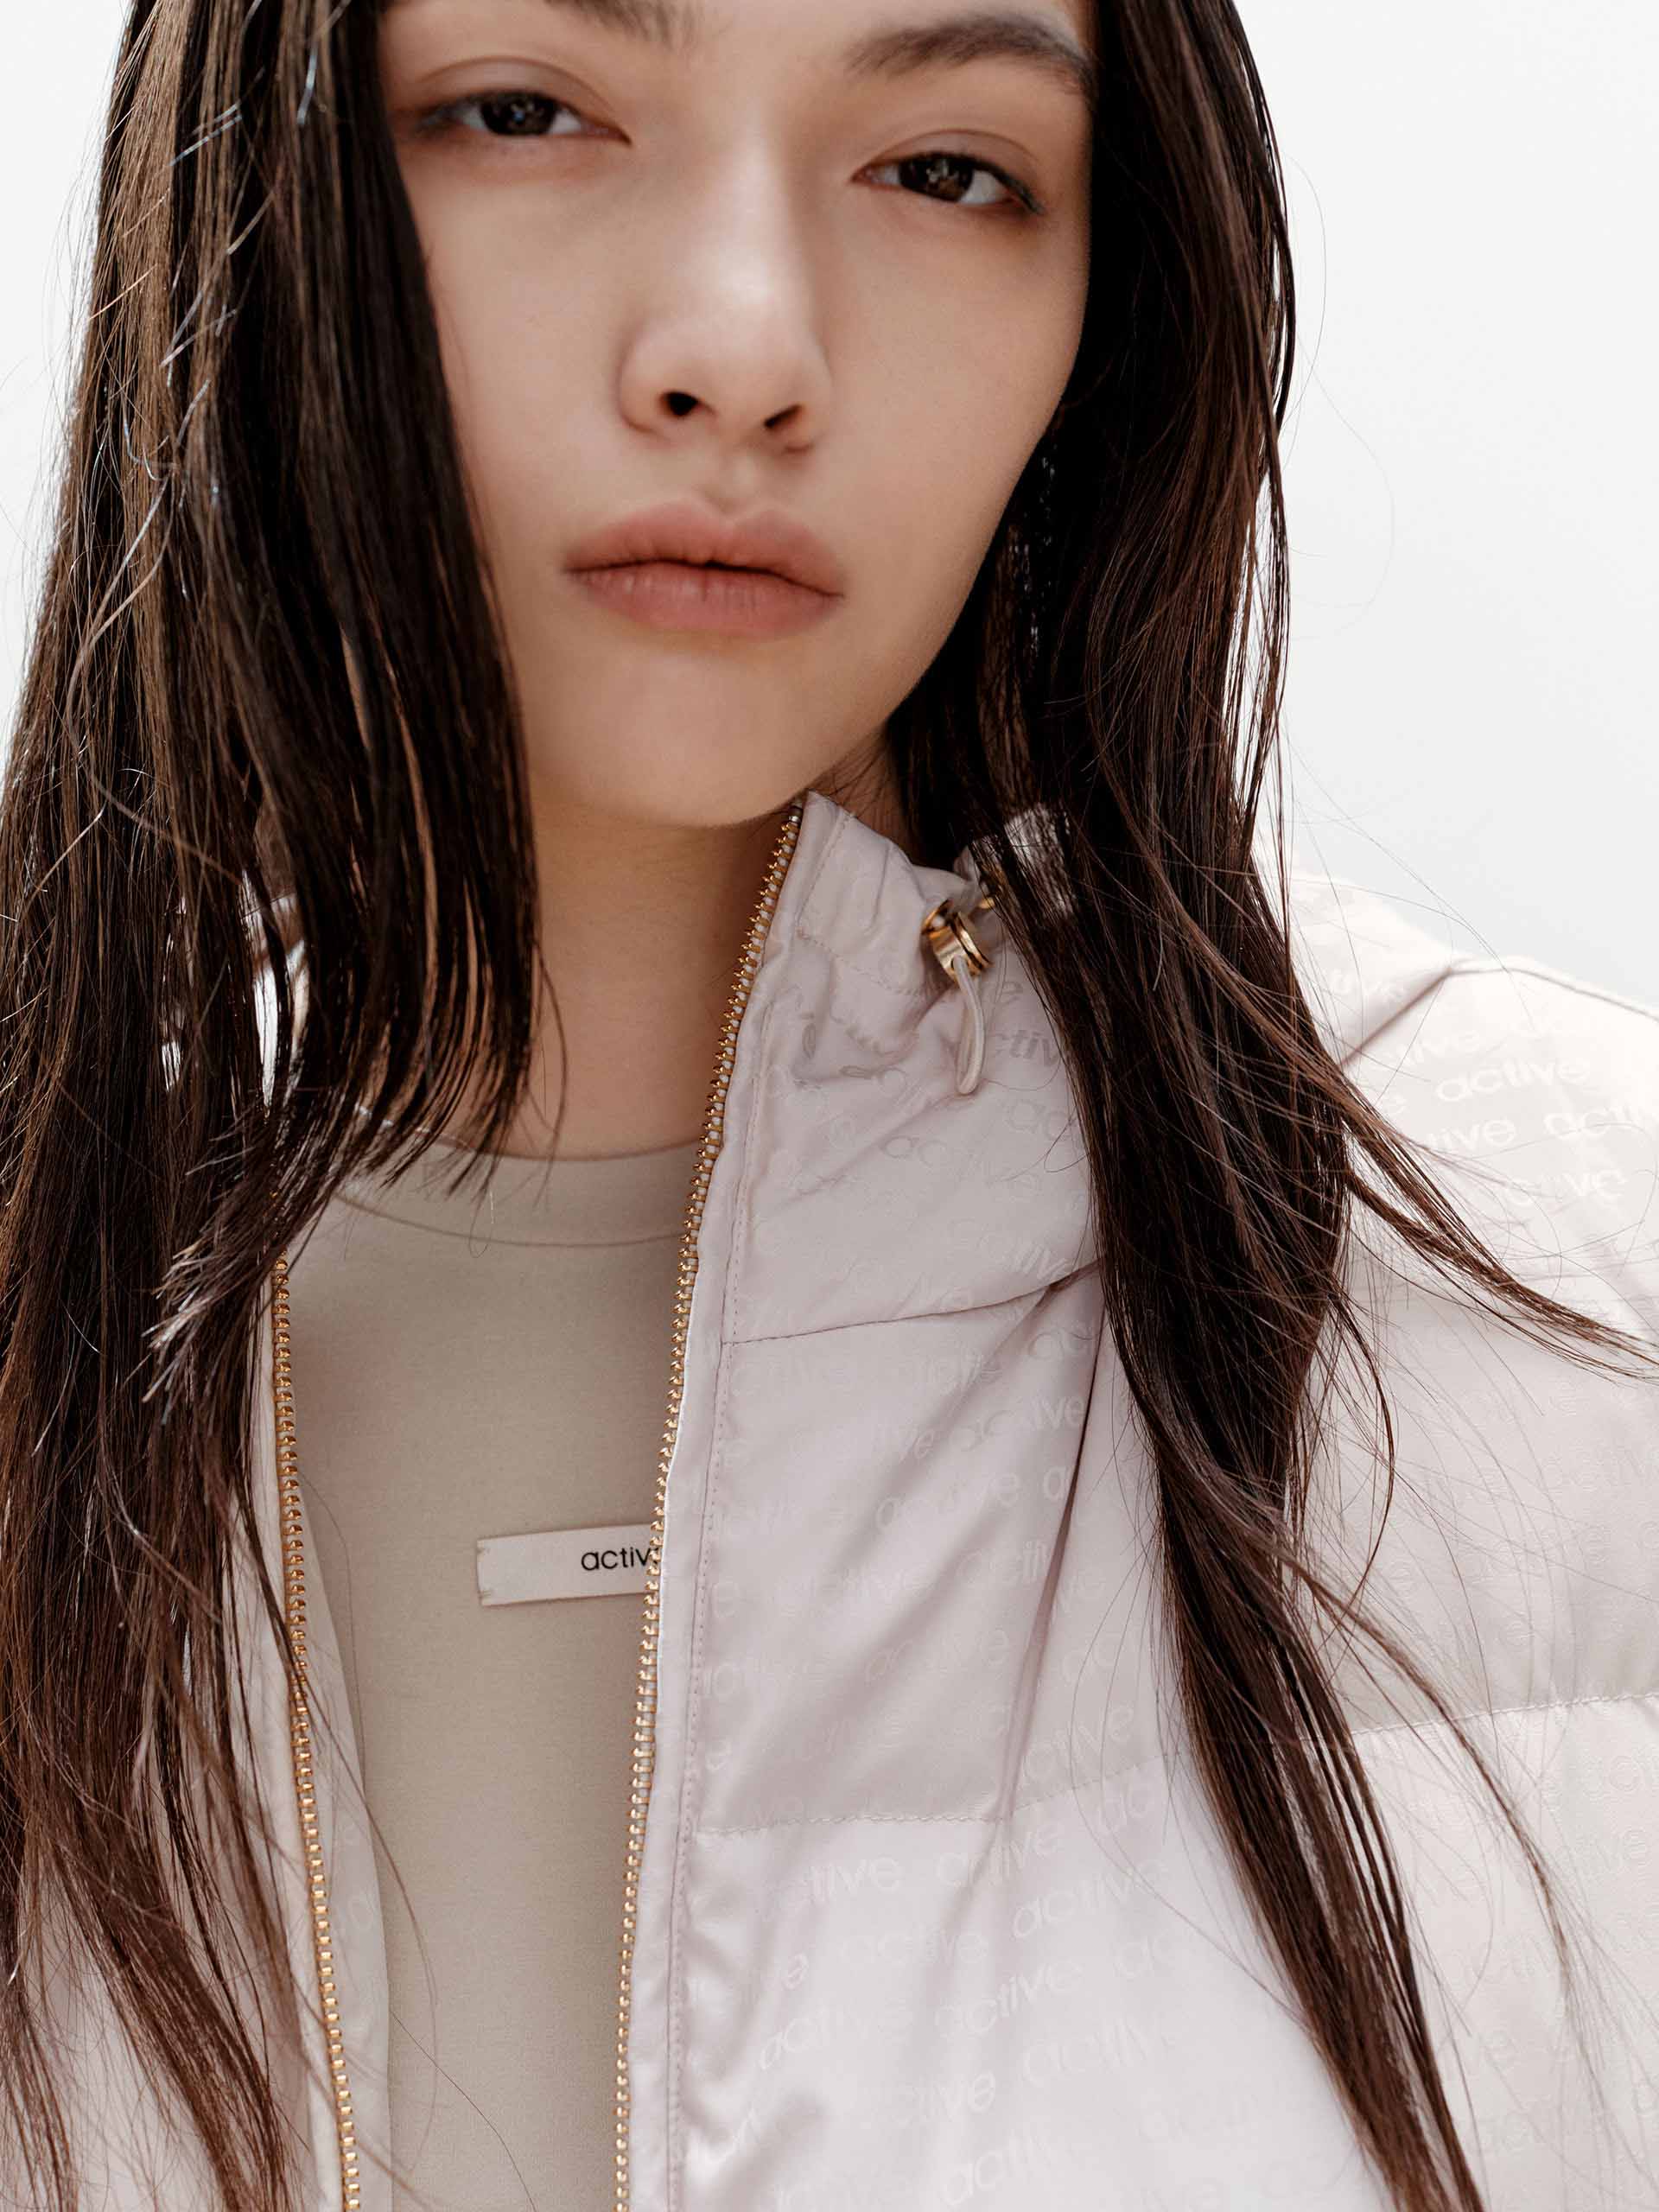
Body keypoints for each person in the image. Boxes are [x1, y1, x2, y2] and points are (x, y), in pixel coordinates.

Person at [0, 0, 1654, 2207]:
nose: (744, 349)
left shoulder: (1596, 1317)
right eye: (528, 113)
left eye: (946, 169)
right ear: (255, 184)